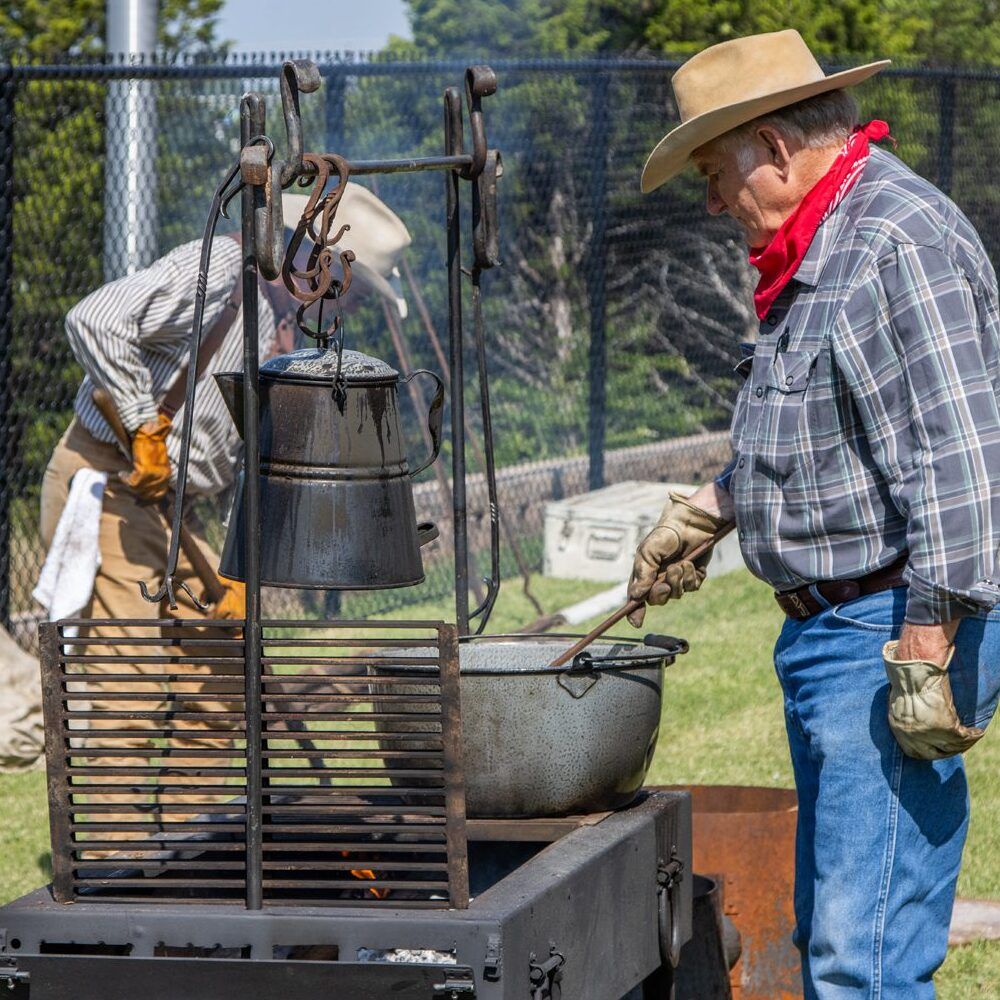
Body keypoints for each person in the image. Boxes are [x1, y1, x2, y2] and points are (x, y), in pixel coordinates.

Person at [629, 29, 1000, 999]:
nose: (712, 200)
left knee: (859, 955)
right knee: (842, 928)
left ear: (779, 149)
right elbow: (821, 428)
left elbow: (960, 458)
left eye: (715, 170)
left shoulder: (895, 239)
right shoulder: (819, 240)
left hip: (886, 627)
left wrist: (927, 638)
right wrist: (710, 510)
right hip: (832, 628)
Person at [35, 182, 412, 835]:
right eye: (353, 283)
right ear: (316, 257)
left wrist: (239, 574)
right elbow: (94, 318)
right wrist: (142, 425)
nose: (351, 300)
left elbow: (245, 463)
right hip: (108, 482)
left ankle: (191, 844)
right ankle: (111, 868)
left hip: (176, 510)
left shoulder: (291, 331)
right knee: (133, 685)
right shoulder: (216, 273)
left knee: (220, 681)